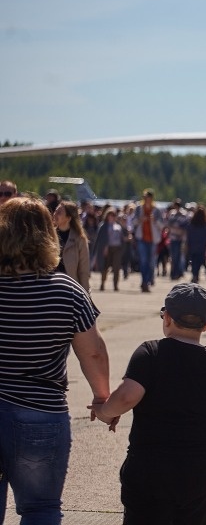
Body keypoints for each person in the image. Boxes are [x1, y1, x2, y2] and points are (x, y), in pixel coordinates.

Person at [94, 282, 206, 522]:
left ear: (166, 318)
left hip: (149, 467)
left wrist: (105, 411)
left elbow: (126, 396)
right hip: (198, 469)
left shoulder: (150, 353)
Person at [0, 196, 111, 523]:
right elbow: (93, 351)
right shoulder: (67, 290)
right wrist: (102, 397)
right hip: (40, 414)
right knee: (41, 509)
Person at [53, 199, 91, 292]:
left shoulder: (80, 239)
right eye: (55, 211)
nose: (55, 214)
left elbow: (83, 270)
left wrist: (85, 293)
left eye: (59, 212)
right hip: (51, 287)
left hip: (71, 288)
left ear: (68, 218)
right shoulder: (49, 236)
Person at [131, 189, 165, 293]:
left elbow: (162, 226)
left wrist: (154, 220)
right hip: (141, 238)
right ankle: (144, 282)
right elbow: (133, 222)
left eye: (149, 198)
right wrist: (141, 219)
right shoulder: (139, 209)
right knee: (143, 260)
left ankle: (149, 280)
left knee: (151, 262)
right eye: (145, 198)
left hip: (153, 239)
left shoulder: (157, 210)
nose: (147, 200)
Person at [93, 207, 125, 291]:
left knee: (116, 267)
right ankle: (102, 283)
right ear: (107, 216)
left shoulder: (118, 226)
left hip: (117, 248)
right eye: (110, 215)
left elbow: (121, 237)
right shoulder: (103, 226)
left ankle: (115, 285)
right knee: (105, 267)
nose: (112, 217)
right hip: (107, 249)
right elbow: (100, 239)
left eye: (114, 215)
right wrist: (104, 247)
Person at [186, 205, 206, 284]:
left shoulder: (192, 223)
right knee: (201, 260)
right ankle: (201, 272)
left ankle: (195, 275)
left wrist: (189, 244)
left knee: (194, 261)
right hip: (202, 246)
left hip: (193, 246)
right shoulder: (205, 224)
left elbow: (188, 234)